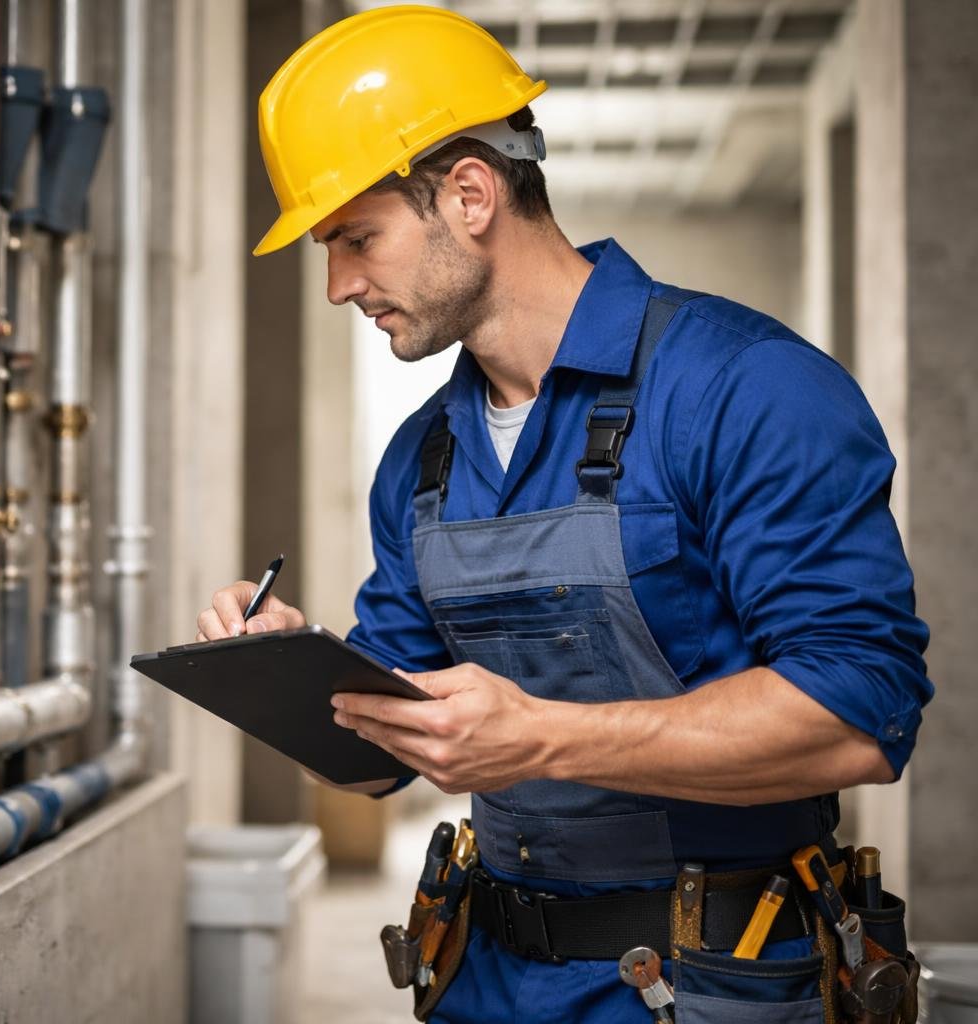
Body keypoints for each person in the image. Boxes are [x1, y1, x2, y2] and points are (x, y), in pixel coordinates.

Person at [195, 7, 933, 1022]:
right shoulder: (421, 459)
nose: (337, 285)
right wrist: (291, 674)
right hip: (484, 979)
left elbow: (861, 713)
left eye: (357, 237)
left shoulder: (744, 388)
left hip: (718, 986)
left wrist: (543, 738)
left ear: (468, 193)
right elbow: (389, 761)